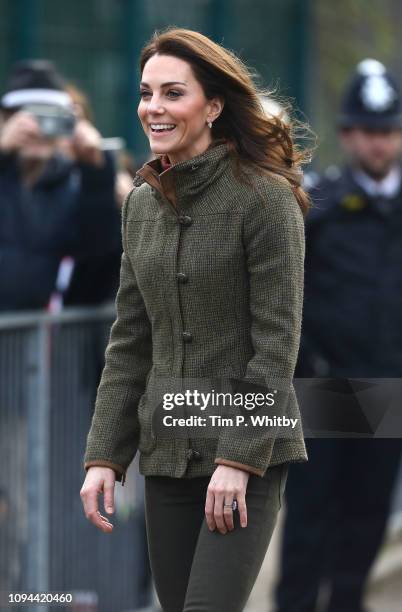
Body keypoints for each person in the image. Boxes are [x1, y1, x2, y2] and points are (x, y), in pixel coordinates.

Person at [80, 27, 311, 612]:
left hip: (246, 456)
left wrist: (236, 458)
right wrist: (105, 454)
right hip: (166, 451)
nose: (153, 108)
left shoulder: (264, 199)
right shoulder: (140, 202)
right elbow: (130, 339)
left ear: (212, 106)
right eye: (146, 93)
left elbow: (276, 346)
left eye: (173, 93)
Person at [275, 59, 402, 612]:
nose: (379, 144)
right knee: (310, 524)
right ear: (348, 134)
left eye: (389, 131)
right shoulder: (319, 206)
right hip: (326, 388)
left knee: (367, 520)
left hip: (387, 385)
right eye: (368, 131)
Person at [0, 60, 120, 311]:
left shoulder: (68, 184)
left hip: (27, 339)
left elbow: (94, 250)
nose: (39, 129)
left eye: (51, 117)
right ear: (5, 119)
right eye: (29, 116)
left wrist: (96, 170)